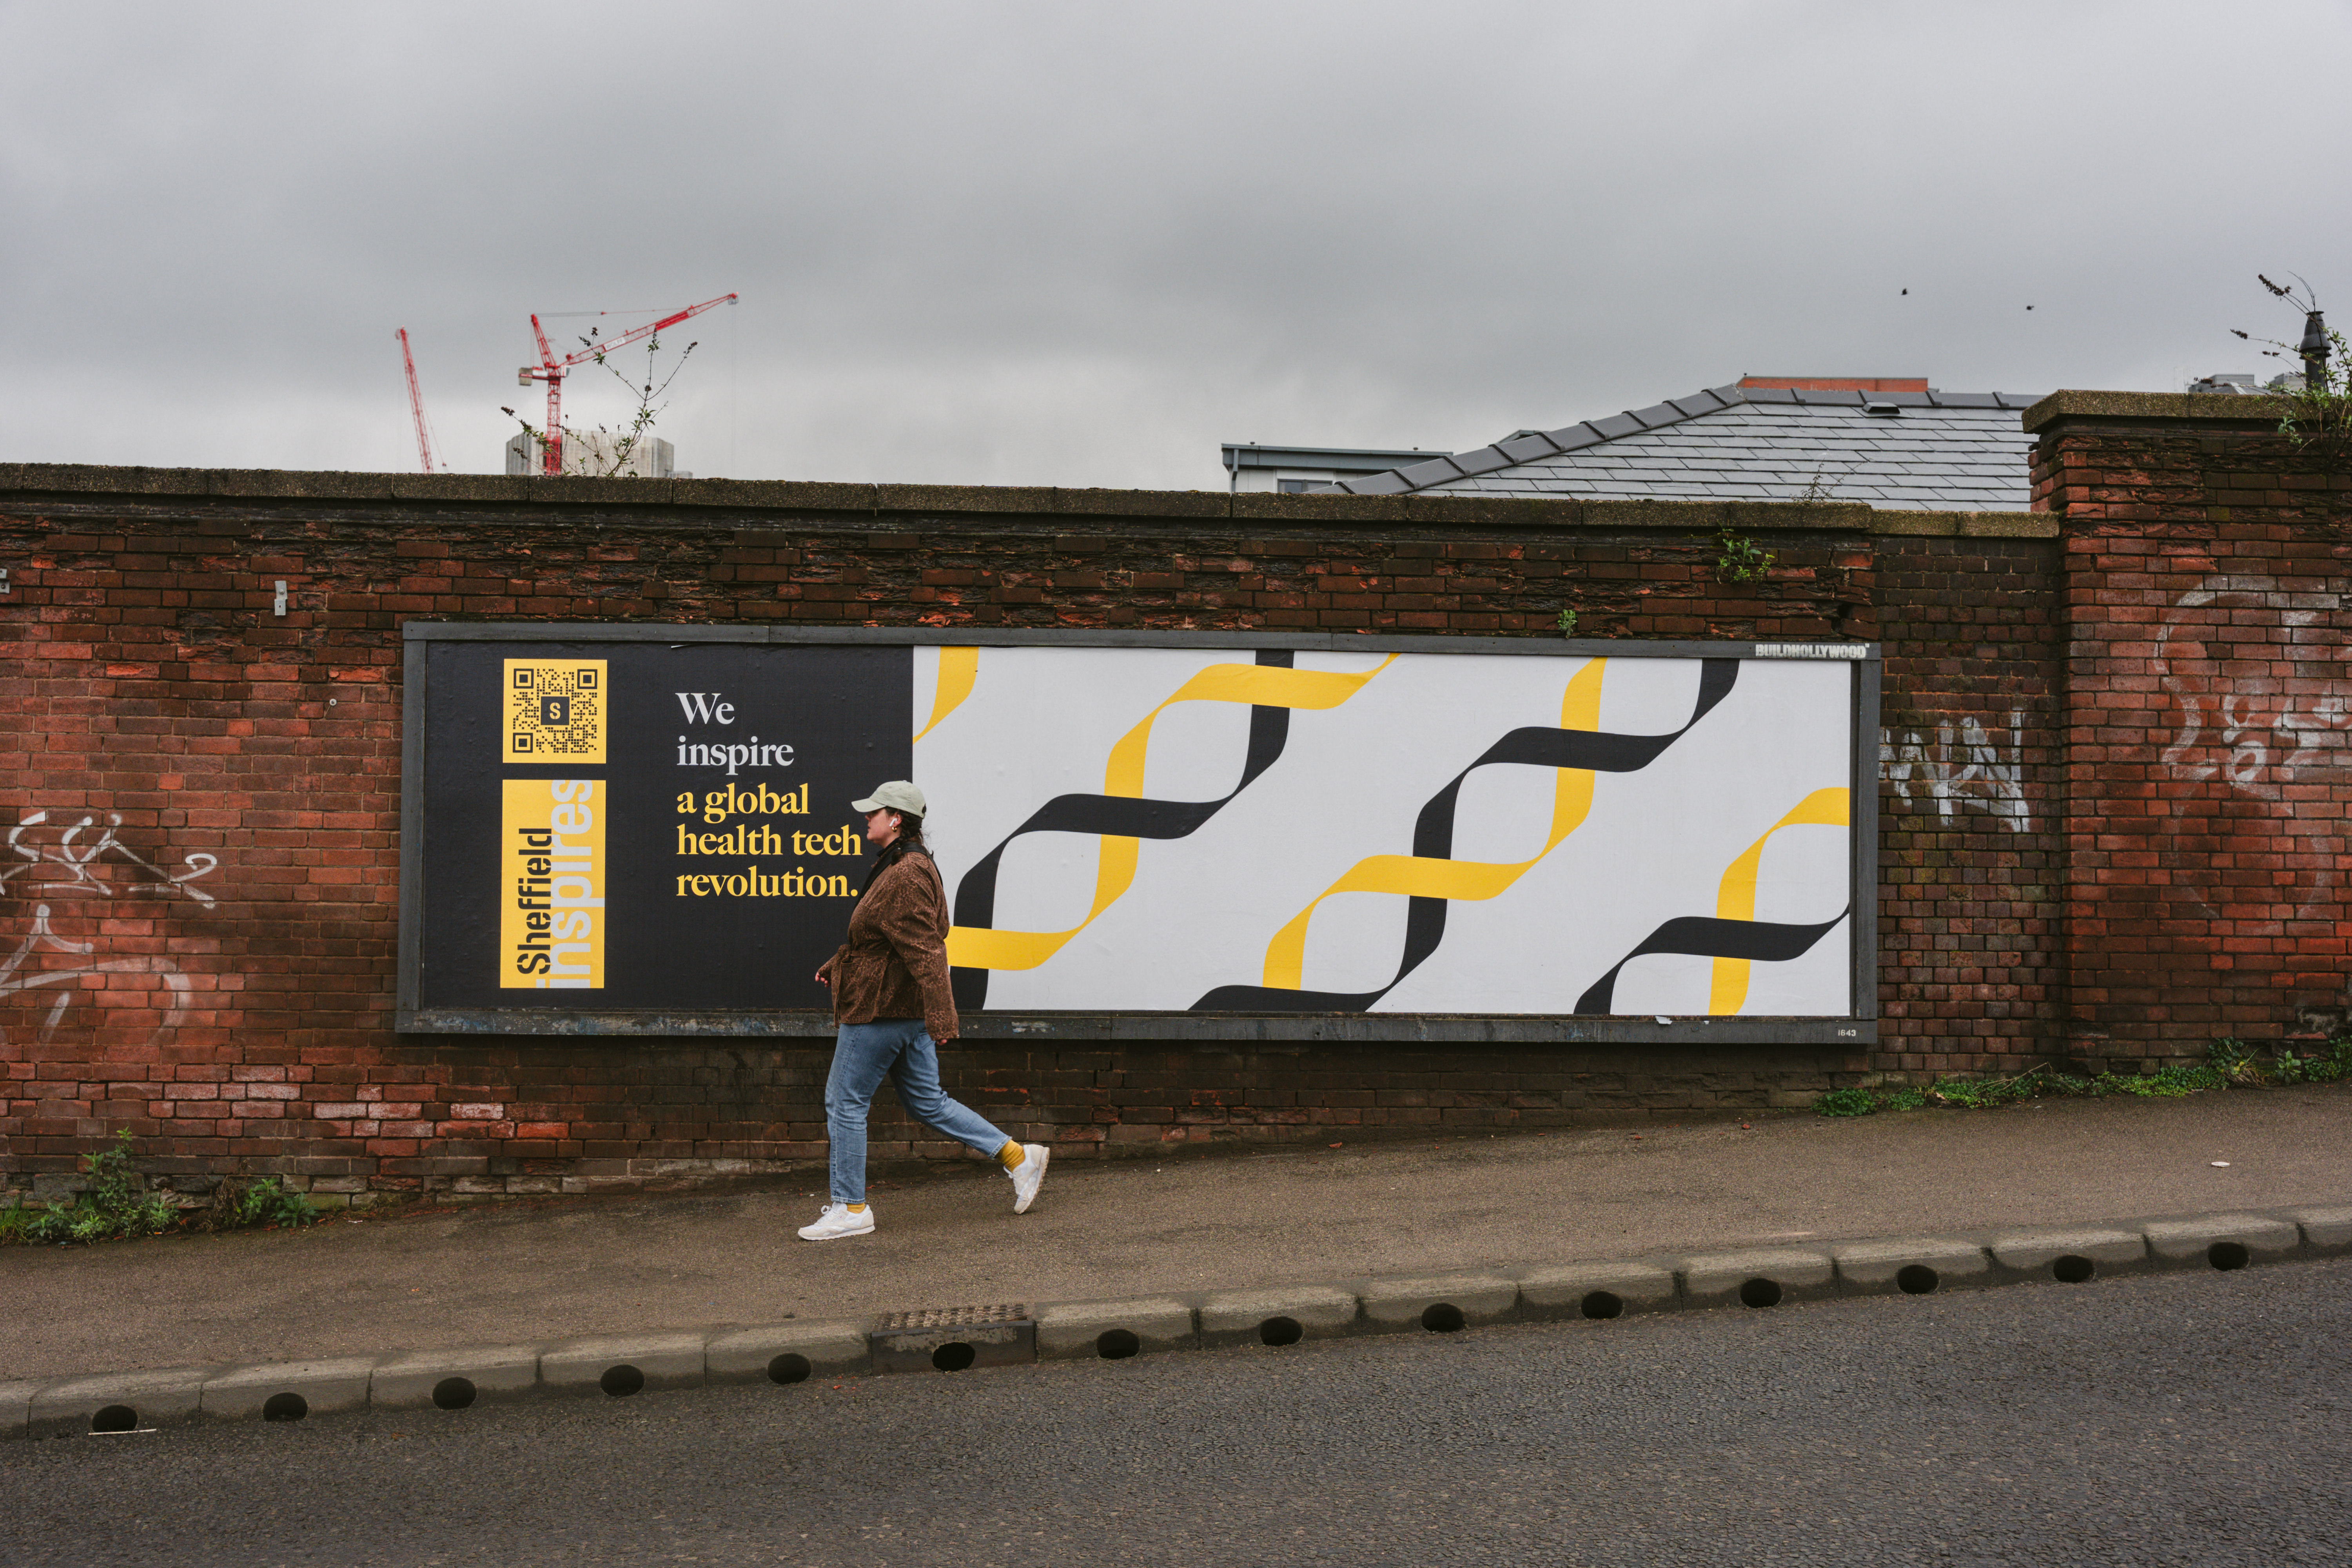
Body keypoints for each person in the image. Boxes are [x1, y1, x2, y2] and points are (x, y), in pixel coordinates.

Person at [800, 780, 1047, 1241]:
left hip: (883, 1010)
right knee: (927, 1102)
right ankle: (1019, 1157)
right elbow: (887, 936)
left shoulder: (907, 873)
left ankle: (851, 1207)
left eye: (873, 813)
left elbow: (928, 948)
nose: (866, 819)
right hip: (901, 1006)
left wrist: (942, 1017)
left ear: (896, 818)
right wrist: (840, 963)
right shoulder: (907, 864)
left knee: (845, 1102)